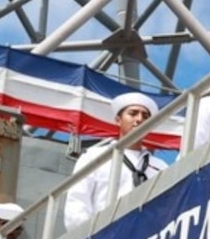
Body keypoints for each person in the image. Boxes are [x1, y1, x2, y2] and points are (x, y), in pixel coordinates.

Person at [64, 93, 166, 231]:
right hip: (102, 238)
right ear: (118, 120)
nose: (139, 119)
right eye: (133, 113)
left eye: (145, 116)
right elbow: (77, 203)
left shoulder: (160, 167)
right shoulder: (96, 157)